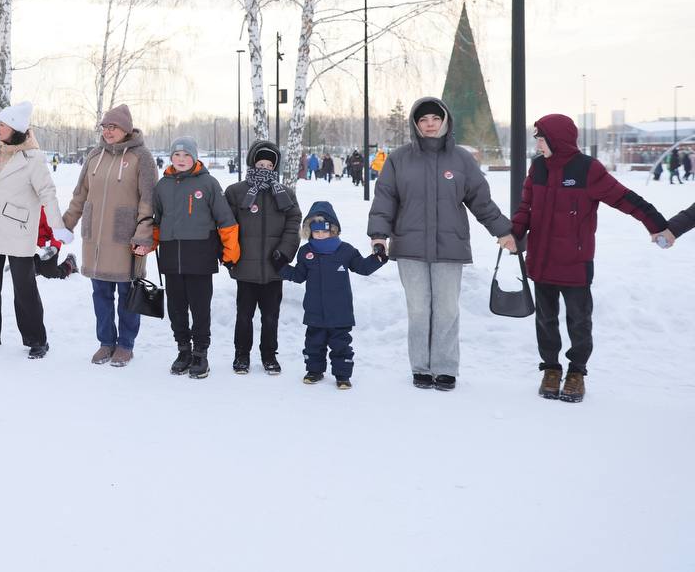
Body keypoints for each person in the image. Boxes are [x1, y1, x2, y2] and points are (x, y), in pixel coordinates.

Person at [510, 115, 668, 403]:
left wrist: (657, 224)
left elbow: (624, 198)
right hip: (542, 261)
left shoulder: (587, 170)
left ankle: (577, 372)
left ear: (556, 139)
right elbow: (526, 207)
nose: (537, 142)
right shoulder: (538, 168)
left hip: (575, 263)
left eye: (541, 137)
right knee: (545, 320)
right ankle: (551, 369)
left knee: (579, 321)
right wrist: (514, 233)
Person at [367, 97, 513, 391]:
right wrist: (378, 235)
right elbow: (385, 198)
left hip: (450, 247)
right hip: (410, 246)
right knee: (419, 310)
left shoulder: (461, 160)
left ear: (445, 121)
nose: (430, 124)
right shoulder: (399, 159)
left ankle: (445, 368)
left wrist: (503, 231)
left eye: (435, 118)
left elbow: (480, 201)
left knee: (447, 309)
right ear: (415, 125)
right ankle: (421, 367)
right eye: (423, 120)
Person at [0, 101, 69, 359]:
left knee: (24, 289)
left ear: (15, 127)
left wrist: (57, 226)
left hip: (19, 231)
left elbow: (47, 194)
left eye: (2, 125)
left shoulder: (33, 158)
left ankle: (37, 340)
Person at [61, 104, 157, 367]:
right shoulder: (94, 156)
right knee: (100, 294)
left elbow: (149, 201)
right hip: (96, 241)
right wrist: (66, 224)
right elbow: (80, 195)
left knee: (127, 295)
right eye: (104, 127)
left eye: (112, 127)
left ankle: (125, 345)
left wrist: (143, 235)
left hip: (126, 240)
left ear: (125, 129)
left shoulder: (142, 157)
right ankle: (106, 342)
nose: (107, 131)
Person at [141, 136, 239, 379]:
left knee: (200, 307)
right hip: (171, 257)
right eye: (177, 155)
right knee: (176, 308)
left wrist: (231, 251)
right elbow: (157, 221)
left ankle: (200, 354)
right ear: (171, 157)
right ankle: (183, 350)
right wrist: (150, 244)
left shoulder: (208, 184)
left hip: (201, 256)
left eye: (186, 155)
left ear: (195, 158)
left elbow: (225, 220)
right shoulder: (162, 186)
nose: (181, 159)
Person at [273, 202, 386, 388]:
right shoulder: (306, 252)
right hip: (314, 311)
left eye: (324, 231)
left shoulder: (345, 250)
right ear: (309, 231)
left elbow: (362, 268)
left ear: (333, 230)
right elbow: (298, 276)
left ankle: (342, 376)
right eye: (315, 231)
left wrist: (377, 259)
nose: (319, 235)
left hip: (340, 312)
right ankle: (314, 371)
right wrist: (281, 267)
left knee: (341, 346)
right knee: (313, 344)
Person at [224, 140, 300, 374]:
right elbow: (227, 226)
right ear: (252, 163)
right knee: (244, 315)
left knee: (270, 316)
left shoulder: (285, 194)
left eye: (269, 164)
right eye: (261, 163)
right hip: (245, 268)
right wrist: (230, 254)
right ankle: (241, 355)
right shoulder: (236, 192)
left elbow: (293, 224)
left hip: (273, 268)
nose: (265, 168)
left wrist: (285, 253)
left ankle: (269, 355)